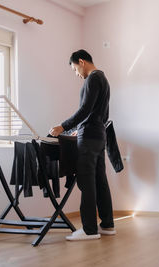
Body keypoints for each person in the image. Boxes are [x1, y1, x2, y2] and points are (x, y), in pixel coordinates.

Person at [50, 49, 116, 241]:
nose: (77, 74)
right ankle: (107, 225)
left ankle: (89, 230)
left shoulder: (92, 79)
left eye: (74, 69)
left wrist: (63, 126)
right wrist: (83, 126)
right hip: (99, 136)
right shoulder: (103, 79)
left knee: (86, 182)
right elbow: (101, 115)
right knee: (100, 181)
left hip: (89, 138)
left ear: (81, 61)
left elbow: (85, 108)